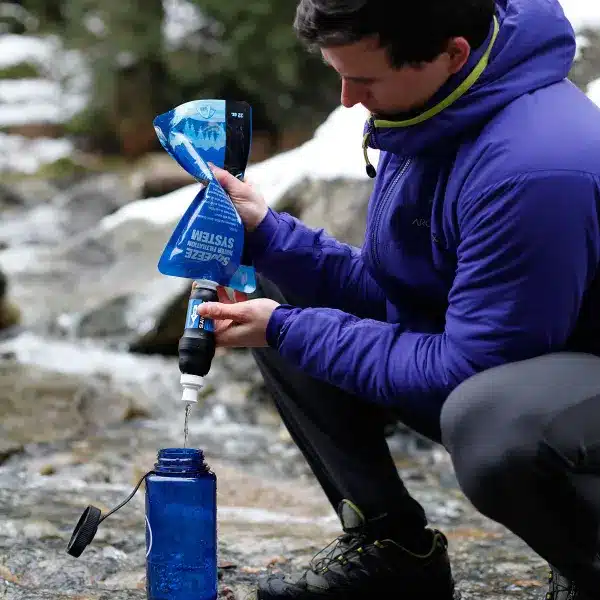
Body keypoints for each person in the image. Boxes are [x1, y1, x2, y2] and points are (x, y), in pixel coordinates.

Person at [197, 0, 600, 598]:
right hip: (522, 364)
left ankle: (588, 564)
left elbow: (467, 370)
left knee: (491, 421)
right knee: (280, 276)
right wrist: (272, 238)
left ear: (452, 54)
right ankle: (394, 546)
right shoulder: (439, 107)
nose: (346, 99)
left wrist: (285, 330)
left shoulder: (534, 167)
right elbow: (404, 300)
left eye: (364, 79)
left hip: (558, 390)